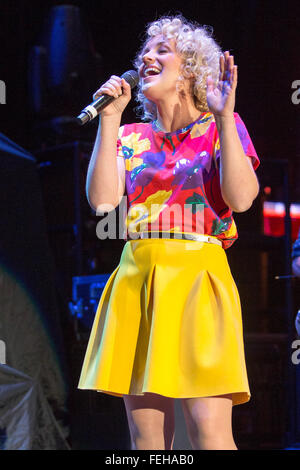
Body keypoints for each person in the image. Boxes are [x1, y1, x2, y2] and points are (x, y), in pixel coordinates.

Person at [78, 15, 260, 450]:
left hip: (198, 280)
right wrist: (109, 120)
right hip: (138, 281)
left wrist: (225, 117)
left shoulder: (221, 127)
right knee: (148, 440)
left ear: (191, 70)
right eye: (146, 50)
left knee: (209, 432)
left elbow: (242, 199)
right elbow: (103, 203)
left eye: (162, 49)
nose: (146, 57)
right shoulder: (130, 135)